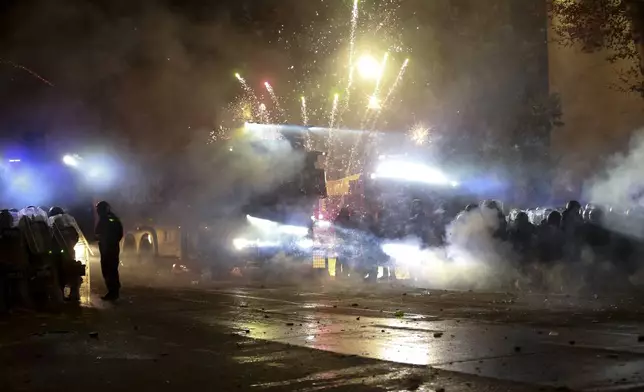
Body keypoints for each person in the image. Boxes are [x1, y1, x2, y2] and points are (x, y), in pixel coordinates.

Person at [48, 206, 82, 302]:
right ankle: (74, 295)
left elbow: (50, 240)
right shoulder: (69, 225)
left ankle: (60, 296)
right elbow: (76, 237)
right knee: (73, 272)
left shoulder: (53, 225)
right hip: (70, 252)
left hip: (57, 254)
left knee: (58, 274)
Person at [95, 201, 123, 301]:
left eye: (99, 209)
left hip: (110, 249)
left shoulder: (110, 219)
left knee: (111, 270)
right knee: (107, 270)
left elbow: (118, 233)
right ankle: (112, 291)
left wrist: (110, 243)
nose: (98, 212)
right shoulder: (104, 219)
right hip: (106, 249)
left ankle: (113, 292)